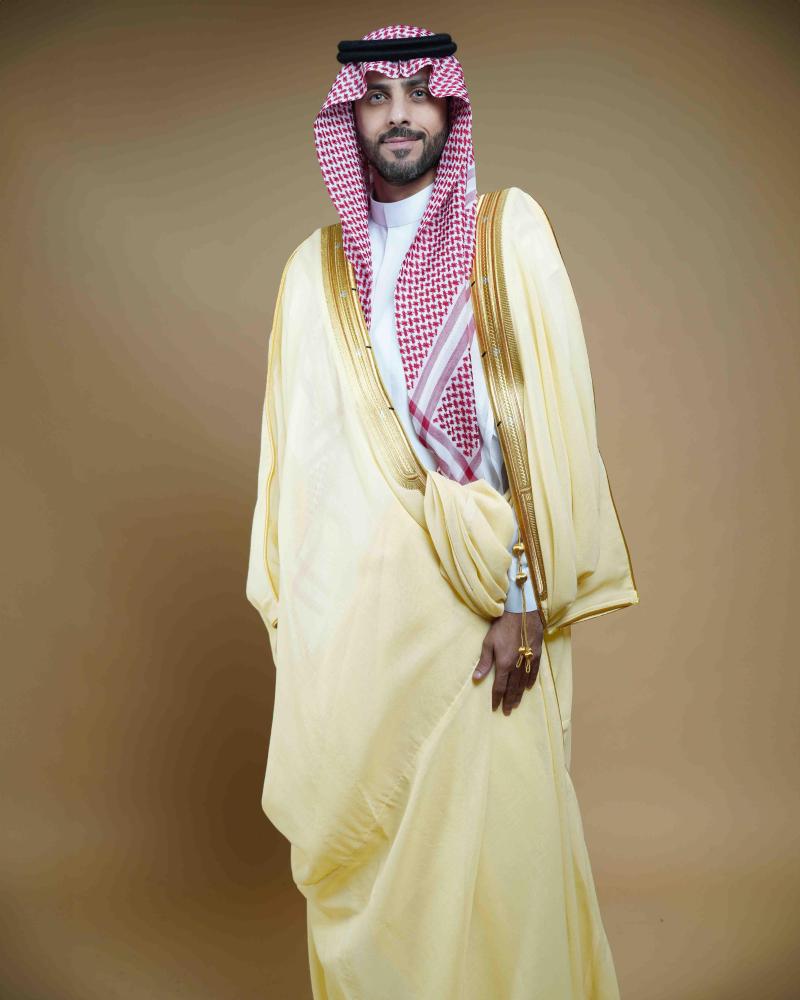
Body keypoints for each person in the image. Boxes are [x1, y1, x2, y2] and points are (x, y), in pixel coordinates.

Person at [246, 23, 639, 999]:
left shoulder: (505, 237)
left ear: (449, 106)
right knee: (379, 882)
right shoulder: (312, 273)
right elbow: (296, 469)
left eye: (419, 92)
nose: (400, 114)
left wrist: (522, 597)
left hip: (481, 611)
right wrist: (310, 631)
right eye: (377, 96)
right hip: (361, 634)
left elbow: (548, 430)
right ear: (349, 117)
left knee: (505, 863)